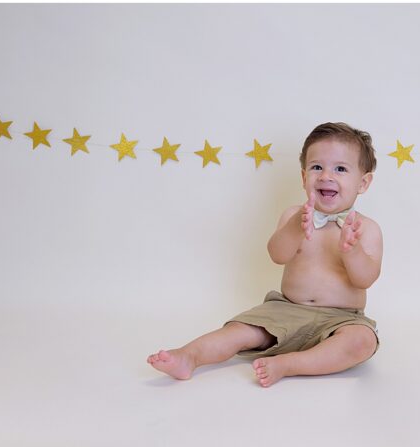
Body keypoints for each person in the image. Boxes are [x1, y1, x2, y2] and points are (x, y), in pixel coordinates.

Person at [148, 122, 383, 387]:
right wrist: (294, 228)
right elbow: (277, 255)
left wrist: (353, 252)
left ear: (363, 182)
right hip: (287, 309)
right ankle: (189, 356)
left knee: (361, 341)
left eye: (340, 168)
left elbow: (365, 279)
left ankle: (289, 364)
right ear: (304, 177)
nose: (326, 175)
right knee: (240, 330)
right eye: (317, 167)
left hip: (342, 318)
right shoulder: (294, 216)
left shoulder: (366, 229)